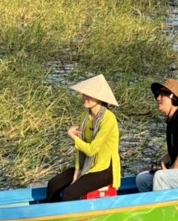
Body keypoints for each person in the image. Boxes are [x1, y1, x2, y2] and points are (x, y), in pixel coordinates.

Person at [45, 74, 121, 202]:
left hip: (104, 170)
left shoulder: (109, 118)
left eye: (89, 95)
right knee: (53, 184)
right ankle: (49, 216)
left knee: (69, 193)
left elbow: (92, 150)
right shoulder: (85, 117)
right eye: (84, 94)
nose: (84, 97)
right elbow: (80, 150)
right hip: (88, 166)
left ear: (99, 98)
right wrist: (77, 171)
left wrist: (73, 138)